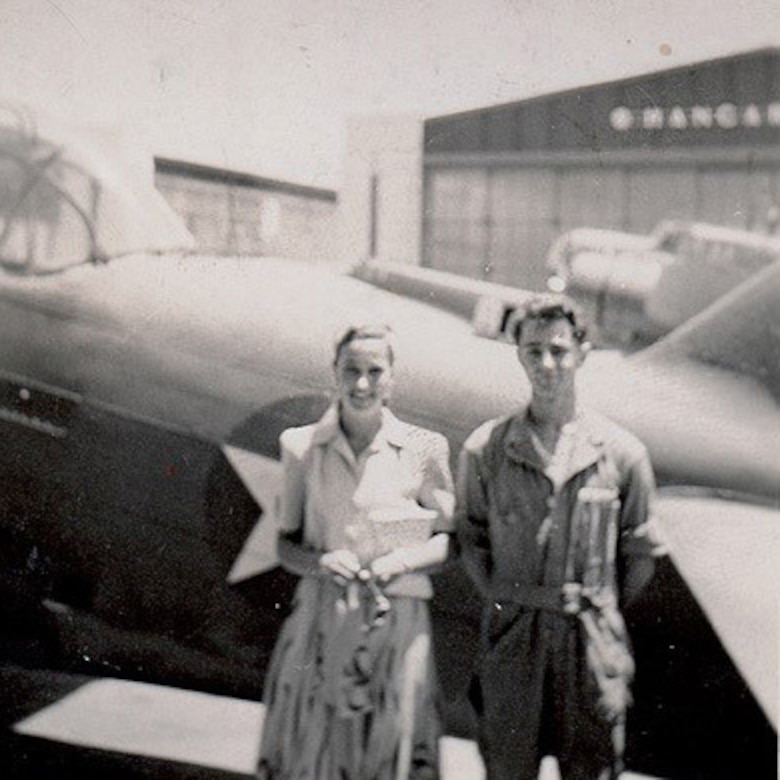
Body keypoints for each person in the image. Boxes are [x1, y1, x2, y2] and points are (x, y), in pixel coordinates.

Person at [455, 294, 665, 780]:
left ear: (582, 353)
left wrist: (594, 609)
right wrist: (512, 599)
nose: (546, 364)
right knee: (507, 769)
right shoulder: (487, 450)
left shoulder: (623, 454)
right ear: (519, 356)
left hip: (591, 646)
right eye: (533, 351)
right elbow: (472, 541)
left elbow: (640, 557)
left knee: (593, 770)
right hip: (514, 640)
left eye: (558, 350)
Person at [257, 324, 454, 780]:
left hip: (397, 623)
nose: (362, 384)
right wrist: (321, 561)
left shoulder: (425, 449)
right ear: (334, 373)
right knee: (314, 753)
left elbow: (452, 541)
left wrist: (401, 562)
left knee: (390, 753)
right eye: (351, 370)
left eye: (374, 371)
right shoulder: (301, 446)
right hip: (323, 619)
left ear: (392, 379)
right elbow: (286, 544)